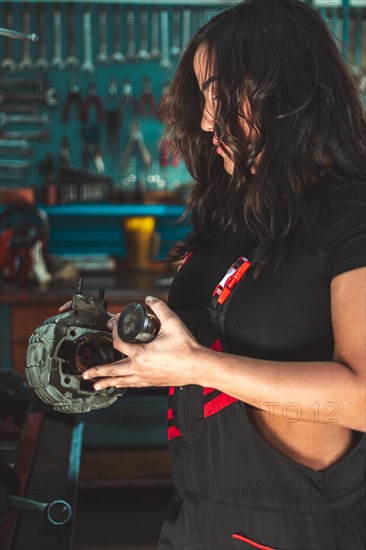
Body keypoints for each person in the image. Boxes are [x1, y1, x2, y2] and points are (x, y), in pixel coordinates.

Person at [62, 1, 366, 548]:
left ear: (286, 90)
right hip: (196, 521)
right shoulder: (231, 214)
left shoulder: (351, 214)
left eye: (221, 93)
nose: (206, 120)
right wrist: (123, 339)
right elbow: (206, 339)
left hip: (297, 529)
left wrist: (198, 364)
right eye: (204, 97)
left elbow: (363, 397)